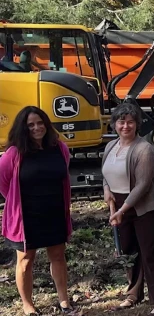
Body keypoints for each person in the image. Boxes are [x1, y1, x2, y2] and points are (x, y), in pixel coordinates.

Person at [0, 106, 73, 315]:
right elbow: (3, 182)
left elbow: (63, 174)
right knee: (25, 261)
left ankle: (64, 301)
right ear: (23, 128)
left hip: (54, 212)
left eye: (40, 123)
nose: (36, 128)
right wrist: (15, 201)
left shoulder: (59, 148)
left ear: (46, 124)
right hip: (26, 217)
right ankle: (27, 304)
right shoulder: (14, 153)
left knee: (58, 256)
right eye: (30, 124)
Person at [102, 103, 154, 314]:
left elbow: (143, 184)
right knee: (128, 252)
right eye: (121, 121)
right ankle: (133, 294)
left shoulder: (144, 149)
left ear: (137, 124)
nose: (125, 126)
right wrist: (106, 190)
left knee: (150, 252)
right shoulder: (110, 147)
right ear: (114, 124)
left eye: (130, 122)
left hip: (144, 207)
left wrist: (123, 210)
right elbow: (105, 172)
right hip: (119, 204)